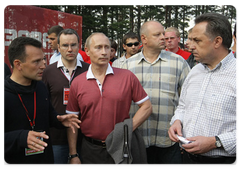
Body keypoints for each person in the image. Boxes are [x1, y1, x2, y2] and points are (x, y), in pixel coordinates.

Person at [66, 32, 152, 165]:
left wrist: (125, 130)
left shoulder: (127, 77)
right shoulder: (77, 83)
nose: (104, 52)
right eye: (98, 47)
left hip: (121, 147)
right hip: (90, 149)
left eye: (107, 47)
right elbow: (72, 121)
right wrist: (73, 154)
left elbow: (146, 106)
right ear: (87, 51)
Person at [168, 13, 237, 165]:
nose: (190, 45)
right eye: (190, 39)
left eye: (197, 40)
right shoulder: (195, 71)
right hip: (187, 159)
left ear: (217, 41)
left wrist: (215, 142)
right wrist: (177, 121)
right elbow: (183, 106)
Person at [2, 36, 81, 164]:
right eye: (36, 61)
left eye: (43, 59)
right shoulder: (4, 95)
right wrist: (20, 137)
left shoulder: (40, 87)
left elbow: (47, 115)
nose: (43, 65)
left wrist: (58, 119)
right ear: (18, 64)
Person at [122, 21, 190, 165]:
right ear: (144, 38)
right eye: (157, 34)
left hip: (169, 139)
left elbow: (188, 100)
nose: (163, 38)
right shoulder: (128, 66)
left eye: (163, 34)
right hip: (139, 138)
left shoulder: (179, 62)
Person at [42, 29, 89, 164]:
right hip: (56, 138)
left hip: (84, 138)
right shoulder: (48, 72)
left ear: (79, 46)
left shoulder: (89, 70)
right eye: (65, 45)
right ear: (58, 47)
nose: (69, 49)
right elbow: (43, 103)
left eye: (73, 45)